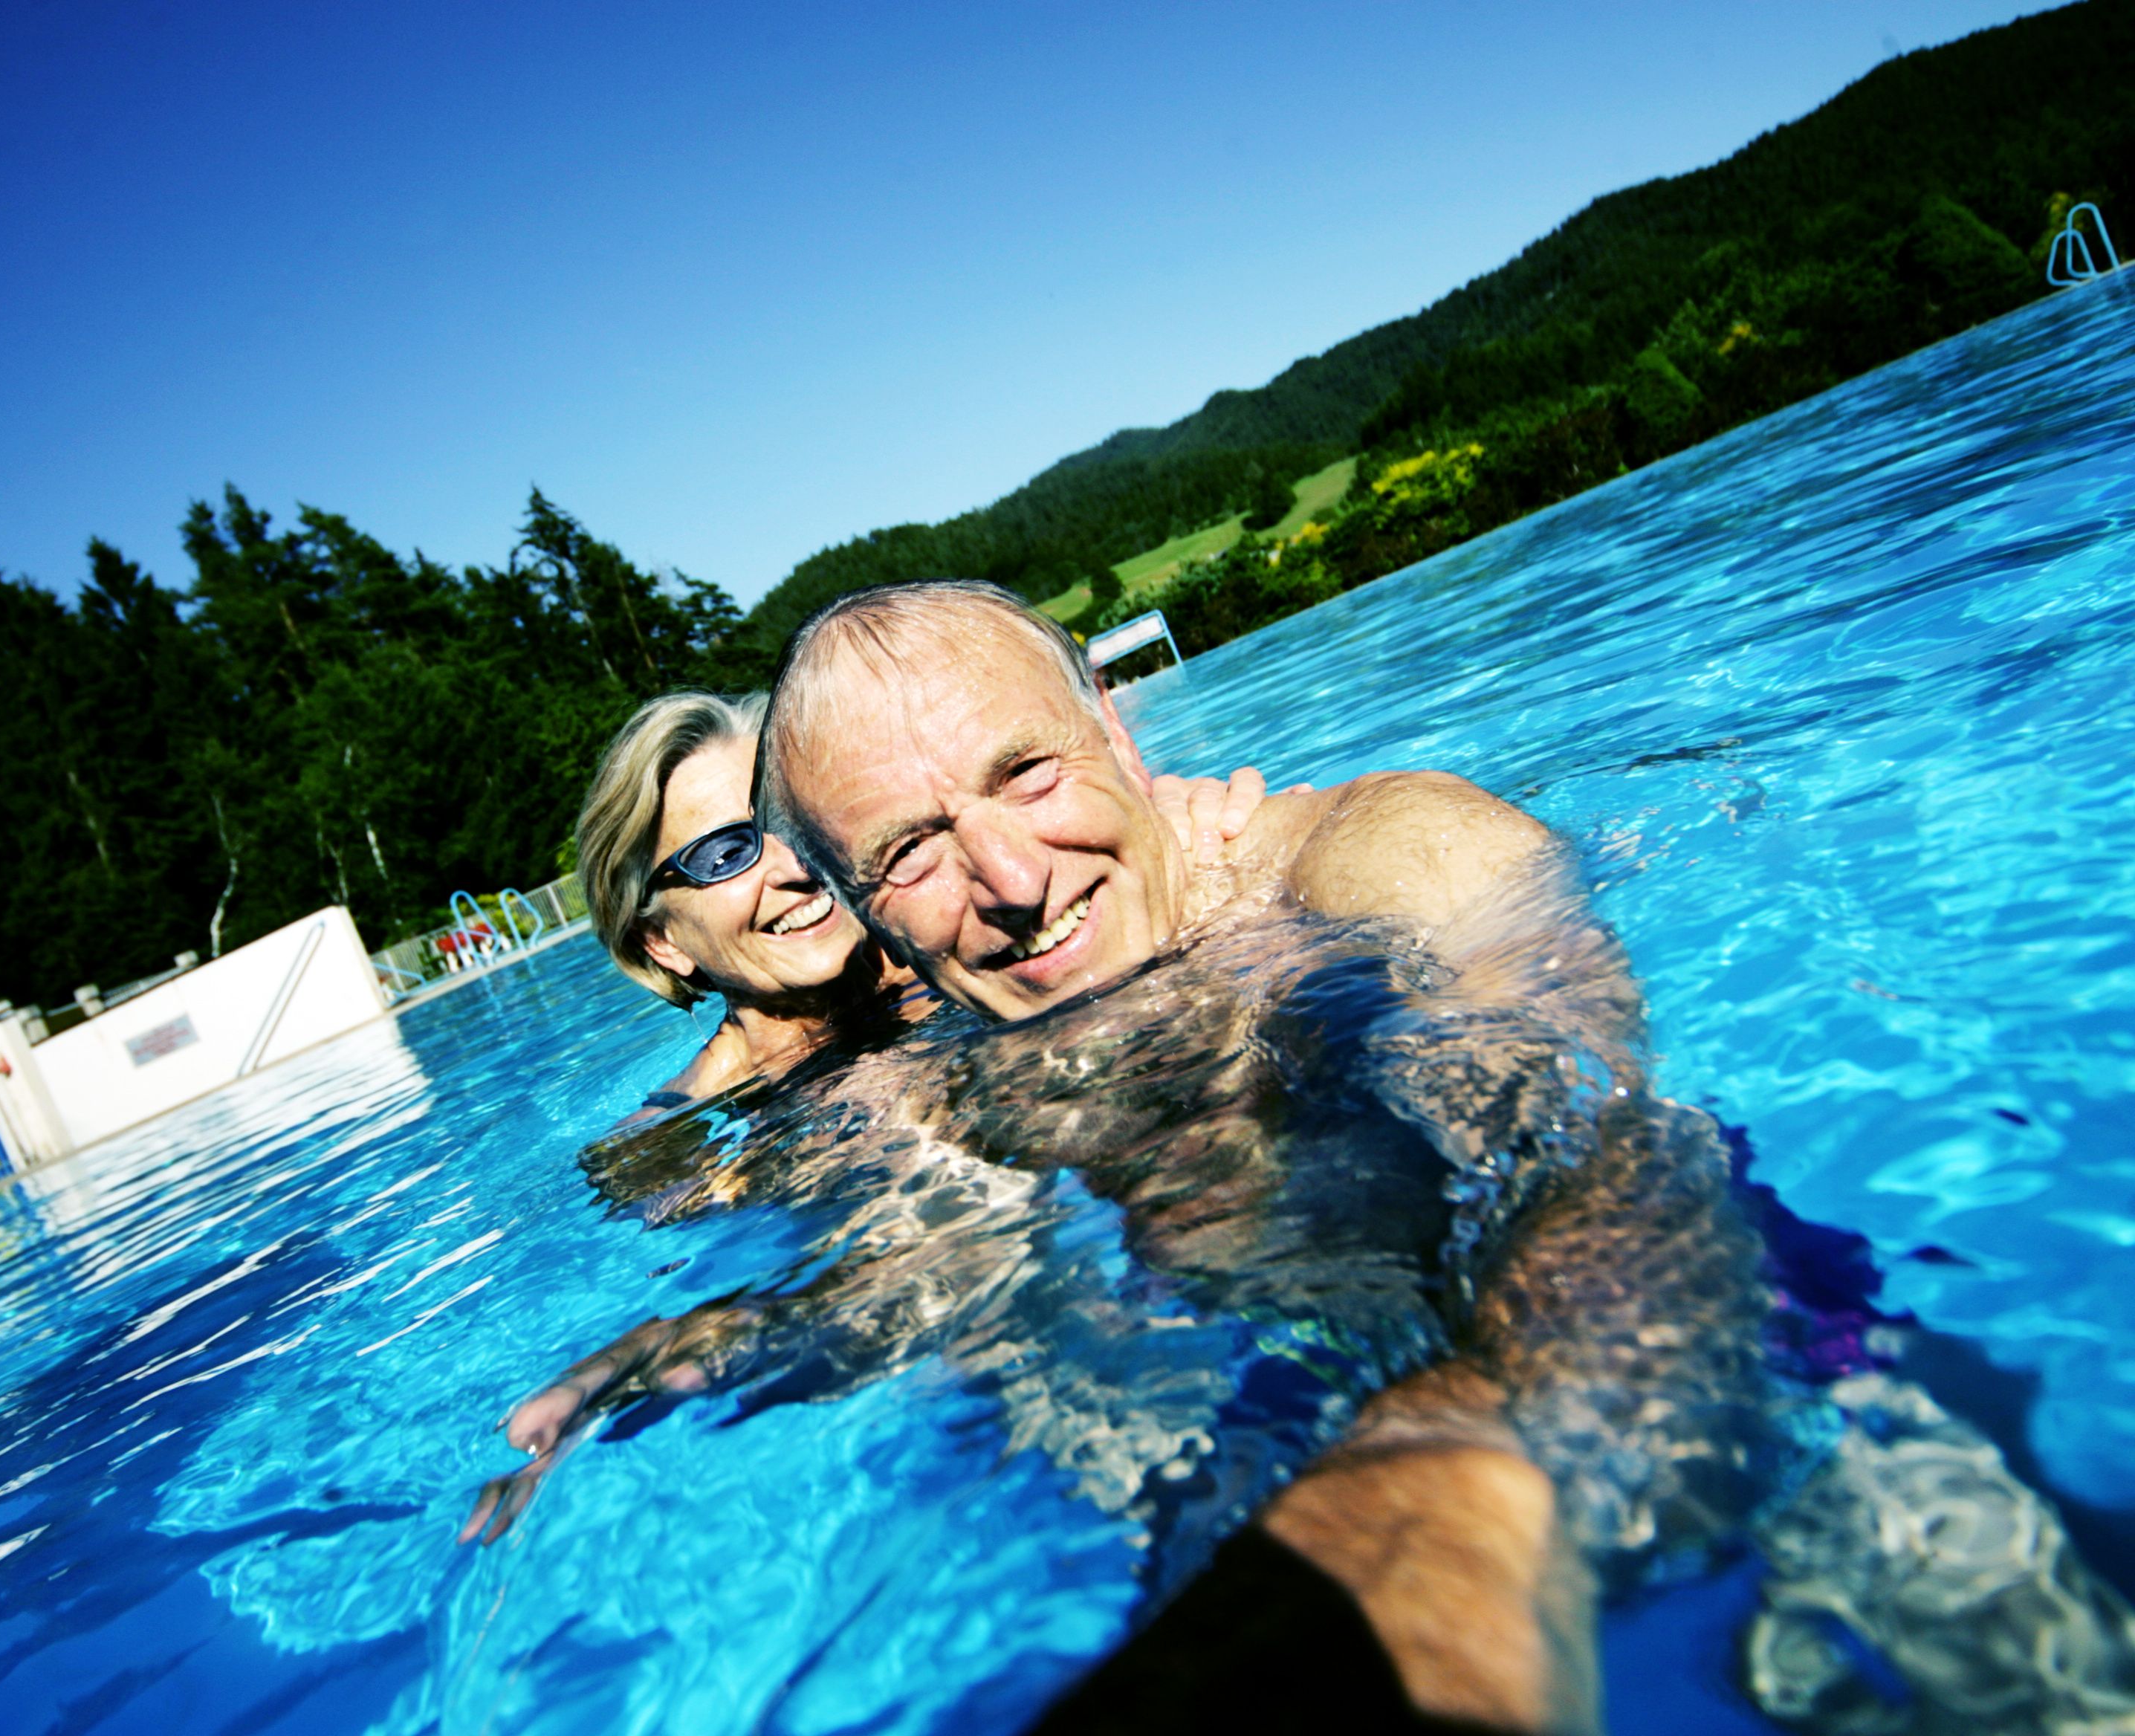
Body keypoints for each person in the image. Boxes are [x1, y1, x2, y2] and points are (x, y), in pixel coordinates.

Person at [480, 583, 2135, 1734]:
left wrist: (1473, 1451)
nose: (1005, 871)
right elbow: (929, 1277)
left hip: (1746, 1372)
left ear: (1122, 735)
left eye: (1028, 772)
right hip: (1269, 1442)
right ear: (854, 900)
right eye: (911, 846)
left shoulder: (1361, 852)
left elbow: (1573, 1120)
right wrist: (734, 1334)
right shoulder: (916, 1062)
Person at [574, 688, 1273, 1119]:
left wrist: (1184, 836)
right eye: (726, 853)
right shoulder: (682, 1136)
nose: (793, 866)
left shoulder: (950, 940)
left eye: (790, 825)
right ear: (658, 943)